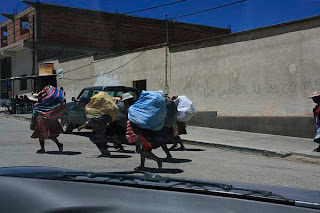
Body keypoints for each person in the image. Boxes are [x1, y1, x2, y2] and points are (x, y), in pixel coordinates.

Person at [77, 92, 118, 157]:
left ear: (83, 102)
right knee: (98, 137)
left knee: (95, 138)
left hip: (100, 123)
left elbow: (91, 119)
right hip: (102, 122)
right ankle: (105, 150)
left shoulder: (88, 108)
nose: (79, 104)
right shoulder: (92, 106)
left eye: (80, 102)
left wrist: (82, 127)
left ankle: (105, 152)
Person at [30, 86, 66, 154]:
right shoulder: (47, 104)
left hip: (41, 121)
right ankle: (58, 144)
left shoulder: (37, 105)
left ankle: (43, 148)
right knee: (50, 135)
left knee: (41, 135)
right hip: (49, 120)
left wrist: (33, 124)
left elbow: (34, 115)